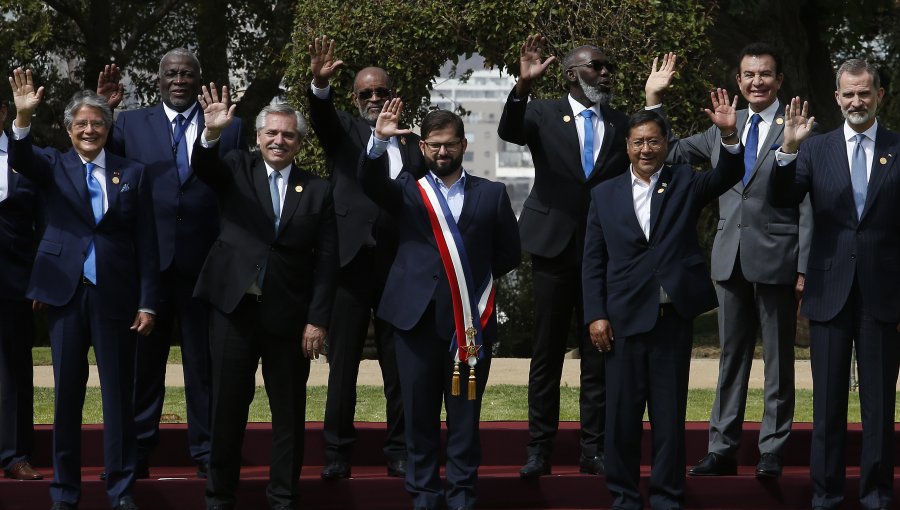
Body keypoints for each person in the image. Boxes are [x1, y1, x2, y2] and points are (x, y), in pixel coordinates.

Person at [644, 44, 811, 478]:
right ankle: (721, 449)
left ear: (778, 81)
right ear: (738, 81)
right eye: (749, 74)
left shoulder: (797, 128)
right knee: (730, 359)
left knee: (777, 360)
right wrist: (654, 101)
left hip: (779, 256)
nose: (757, 82)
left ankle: (772, 450)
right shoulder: (723, 127)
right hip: (728, 259)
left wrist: (804, 265)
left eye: (766, 75)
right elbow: (670, 152)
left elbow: (810, 203)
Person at [582, 93, 743, 510]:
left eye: (654, 141)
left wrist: (728, 135)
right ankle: (623, 496)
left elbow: (728, 173)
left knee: (669, 418)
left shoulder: (685, 180)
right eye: (638, 142)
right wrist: (596, 315)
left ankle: (668, 496)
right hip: (622, 319)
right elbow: (593, 261)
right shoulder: (604, 194)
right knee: (621, 418)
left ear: (666, 143)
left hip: (673, 317)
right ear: (627, 147)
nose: (646, 149)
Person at [8, 69, 158, 510]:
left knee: (117, 399)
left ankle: (121, 491)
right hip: (64, 294)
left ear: (108, 128)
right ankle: (65, 493)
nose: (90, 130)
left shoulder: (134, 173)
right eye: (81, 124)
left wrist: (148, 301)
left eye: (97, 123)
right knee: (67, 399)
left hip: (117, 296)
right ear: (69, 130)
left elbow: (147, 243)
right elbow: (21, 156)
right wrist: (21, 117)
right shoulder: (53, 164)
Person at [360, 101, 520, 510]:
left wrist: (465, 282)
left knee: (465, 419)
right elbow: (368, 183)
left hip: (467, 325)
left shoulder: (493, 193)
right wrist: (378, 141)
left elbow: (508, 254)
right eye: (433, 146)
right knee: (419, 417)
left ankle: (463, 496)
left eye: (449, 145)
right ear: (423, 147)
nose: (442, 153)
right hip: (413, 324)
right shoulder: (407, 189)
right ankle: (425, 496)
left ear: (464, 144)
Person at [99, 49, 246, 479]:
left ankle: (206, 451)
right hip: (148, 263)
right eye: (170, 73)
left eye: (187, 73)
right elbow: (103, 164)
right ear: (158, 80)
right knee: (144, 363)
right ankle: (140, 448)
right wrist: (105, 114)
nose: (178, 80)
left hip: (206, 262)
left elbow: (233, 187)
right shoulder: (128, 123)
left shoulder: (228, 126)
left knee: (204, 365)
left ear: (199, 79)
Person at [192, 84, 338, 510]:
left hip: (289, 317)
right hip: (233, 311)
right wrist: (212, 134)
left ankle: (282, 498)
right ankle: (219, 497)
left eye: (288, 135)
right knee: (228, 411)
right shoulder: (236, 166)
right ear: (257, 137)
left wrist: (318, 319)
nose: (279, 140)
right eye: (271, 133)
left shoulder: (318, 190)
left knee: (288, 414)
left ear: (300, 143)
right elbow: (204, 167)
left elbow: (327, 261)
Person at [497, 34, 629, 477]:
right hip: (552, 247)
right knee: (547, 354)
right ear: (572, 73)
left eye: (608, 66)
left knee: (599, 353)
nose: (606, 72)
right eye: (597, 65)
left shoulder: (620, 122)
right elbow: (509, 130)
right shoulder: (541, 112)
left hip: (602, 253)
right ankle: (540, 449)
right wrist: (523, 85)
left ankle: (594, 449)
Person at [773, 60, 899, 510]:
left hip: (883, 292)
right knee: (826, 407)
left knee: (879, 408)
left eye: (864, 93)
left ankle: (878, 495)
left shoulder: (897, 147)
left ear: (880, 95)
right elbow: (783, 198)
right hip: (829, 290)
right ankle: (825, 495)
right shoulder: (815, 148)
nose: (856, 102)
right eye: (848, 94)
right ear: (836, 97)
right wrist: (787, 149)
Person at [306, 36, 424, 479]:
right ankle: (337, 451)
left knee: (399, 365)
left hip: (399, 266)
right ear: (355, 99)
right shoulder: (346, 132)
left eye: (382, 92)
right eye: (366, 94)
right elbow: (321, 117)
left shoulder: (414, 144)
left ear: (395, 96)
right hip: (350, 263)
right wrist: (320, 84)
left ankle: (399, 449)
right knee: (344, 365)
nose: (375, 99)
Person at [0, 97, 43, 482]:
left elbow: (46, 224)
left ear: (2, 112)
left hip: (15, 281)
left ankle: (15, 455)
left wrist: (40, 280)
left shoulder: (30, 159)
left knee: (14, 370)